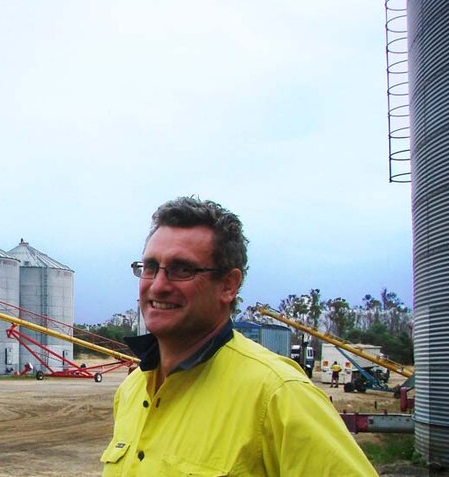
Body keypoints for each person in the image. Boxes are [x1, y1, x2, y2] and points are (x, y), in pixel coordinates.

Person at [101, 197, 377, 476]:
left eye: (182, 269)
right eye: (150, 267)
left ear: (228, 285)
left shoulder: (278, 394)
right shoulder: (132, 390)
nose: (158, 285)